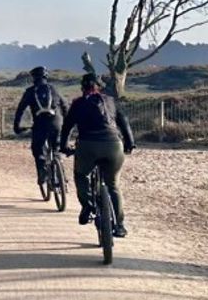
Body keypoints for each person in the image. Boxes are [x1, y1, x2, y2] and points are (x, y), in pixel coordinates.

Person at [59, 72, 134, 238]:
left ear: (82, 87)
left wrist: (64, 146)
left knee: (81, 175)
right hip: (114, 145)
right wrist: (130, 143)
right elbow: (124, 122)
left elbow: (67, 127)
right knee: (113, 185)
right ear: (99, 87)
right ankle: (119, 225)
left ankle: (87, 206)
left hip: (87, 145)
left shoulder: (78, 103)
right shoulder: (111, 101)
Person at [13, 66, 66, 190]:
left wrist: (17, 127)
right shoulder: (54, 89)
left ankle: (42, 173)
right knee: (56, 149)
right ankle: (61, 177)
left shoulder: (30, 91)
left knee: (37, 148)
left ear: (33, 78)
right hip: (56, 123)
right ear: (46, 76)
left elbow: (20, 110)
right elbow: (65, 106)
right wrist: (66, 123)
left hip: (40, 124)